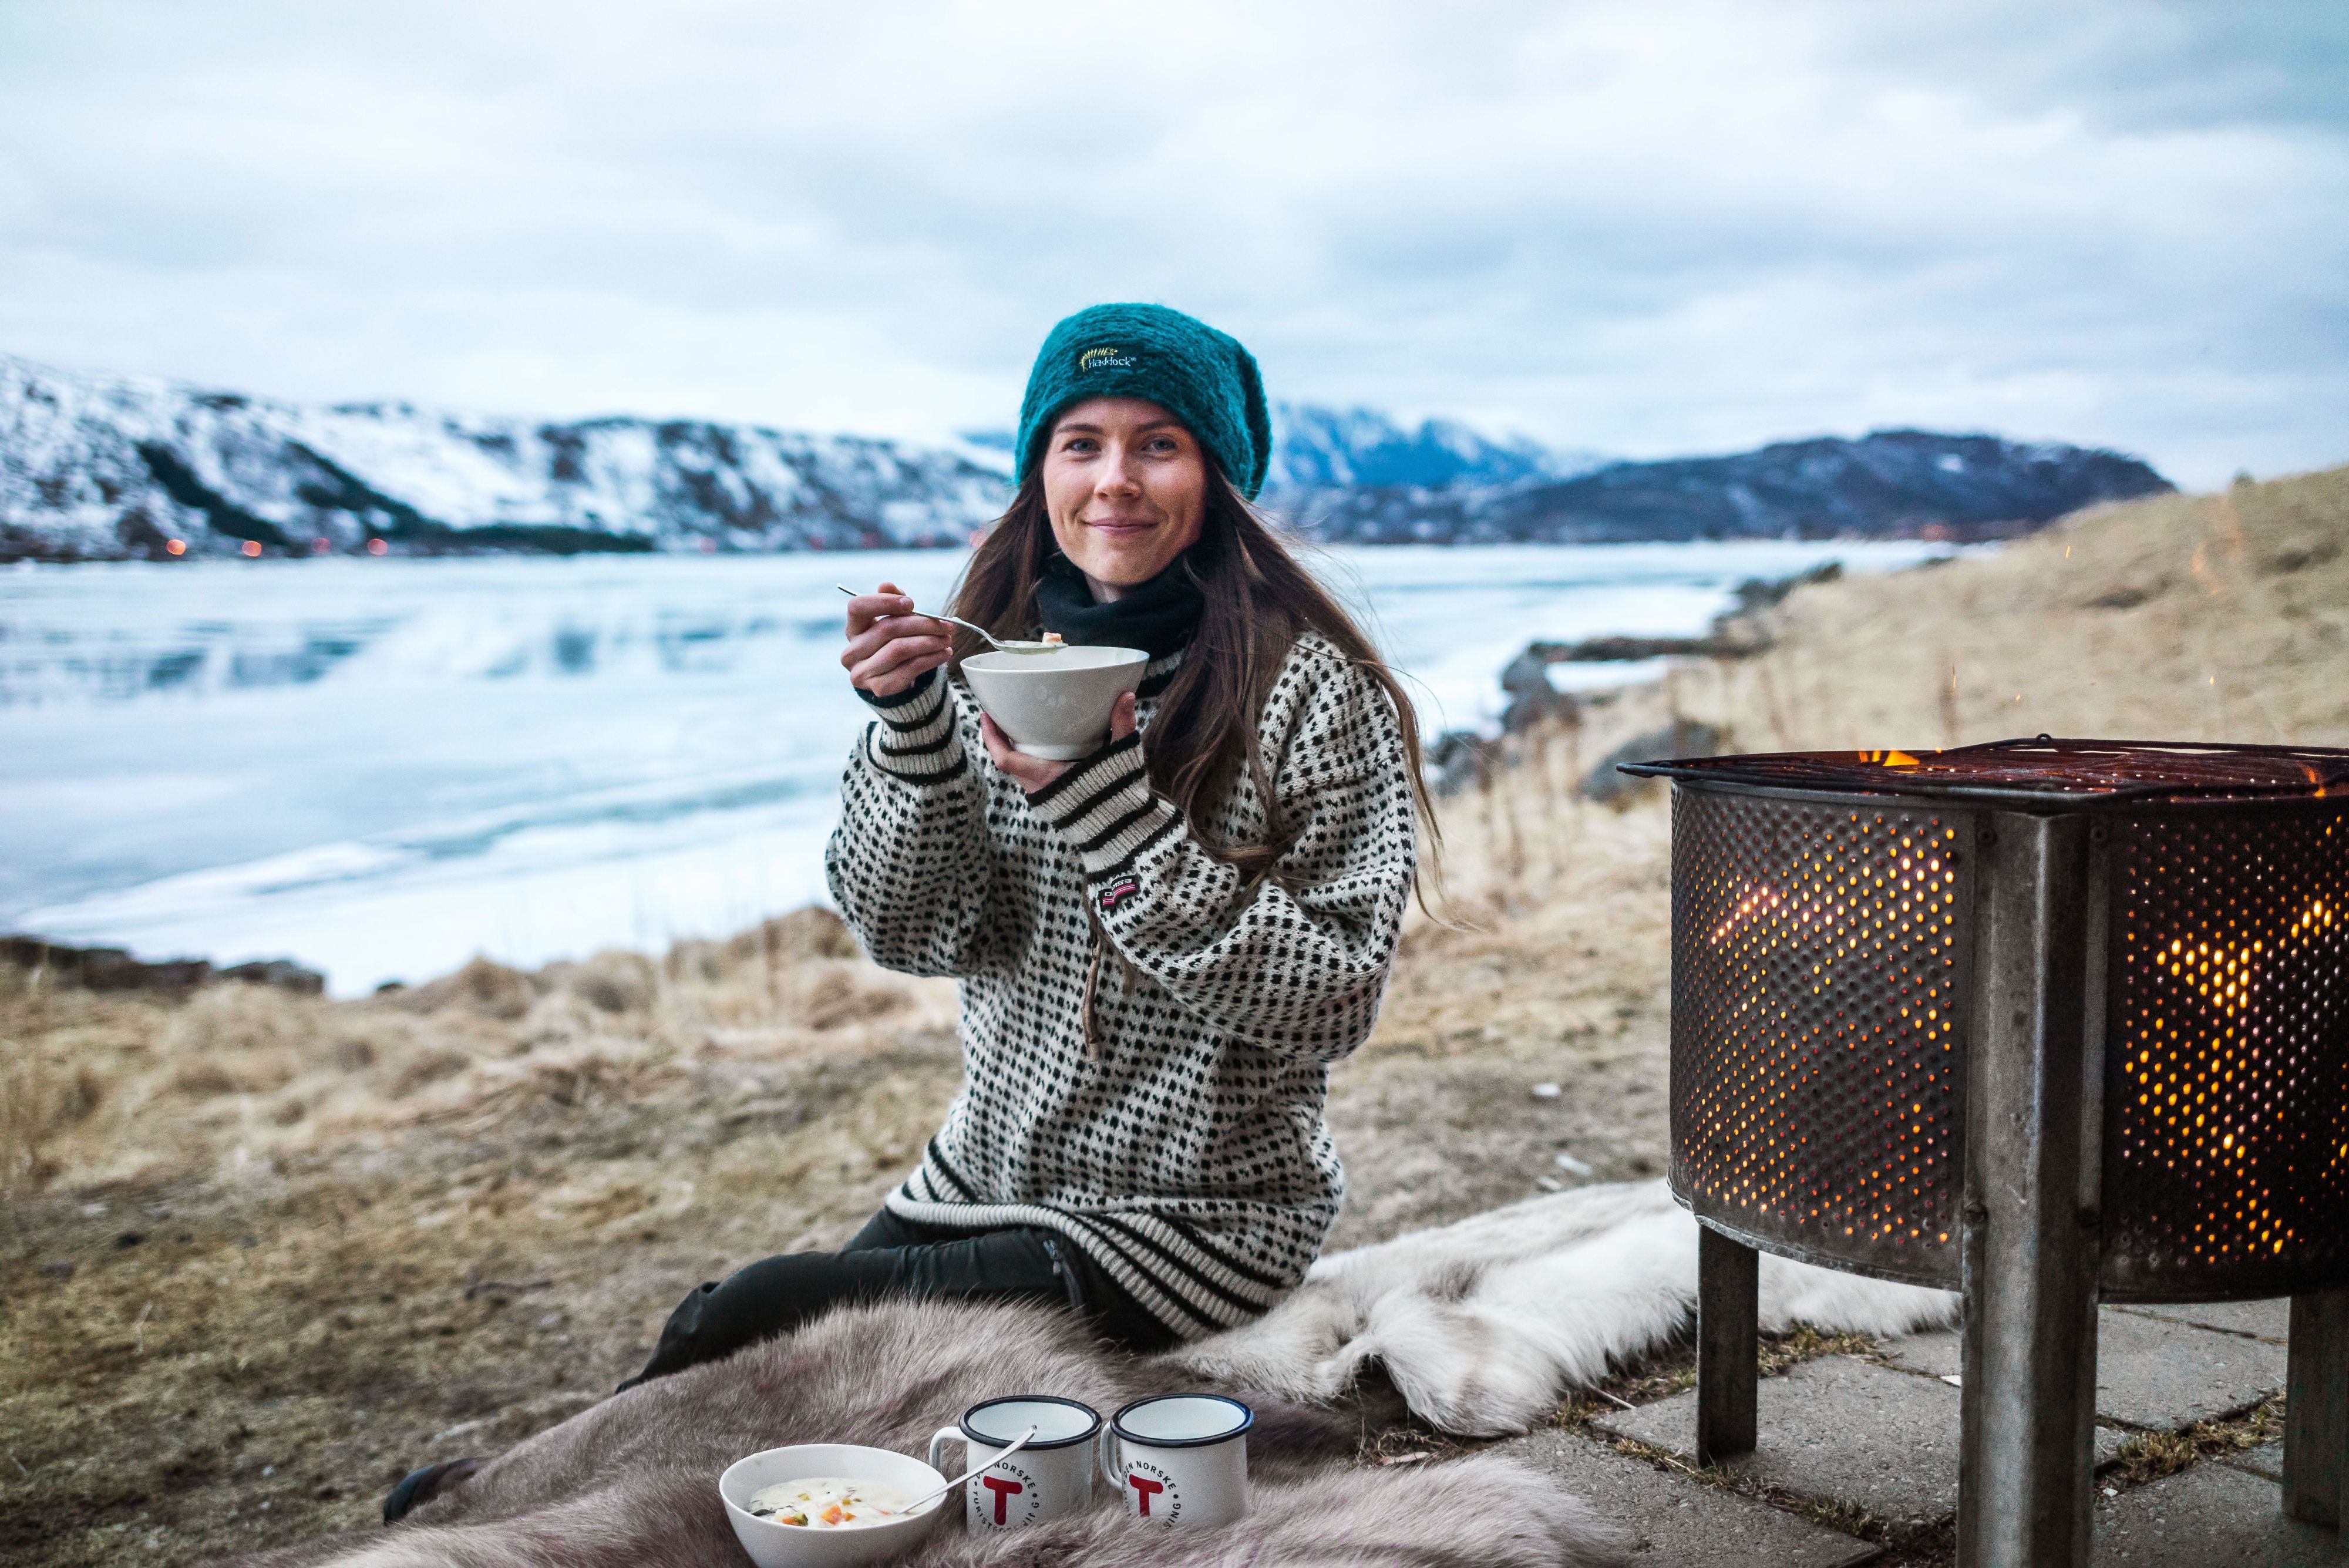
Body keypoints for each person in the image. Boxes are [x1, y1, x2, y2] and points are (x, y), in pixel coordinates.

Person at [621, 301, 1436, 1389]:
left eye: (1159, 443)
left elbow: (1332, 997)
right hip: (979, 1179)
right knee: (727, 1349)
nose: (1115, 480)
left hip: (1193, 1222)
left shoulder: (1313, 692)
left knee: (760, 1316)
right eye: (1081, 443)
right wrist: (911, 726)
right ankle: (497, 1515)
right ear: (1039, 472)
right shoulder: (986, 665)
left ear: (1218, 479)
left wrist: (1112, 808)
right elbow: (911, 933)